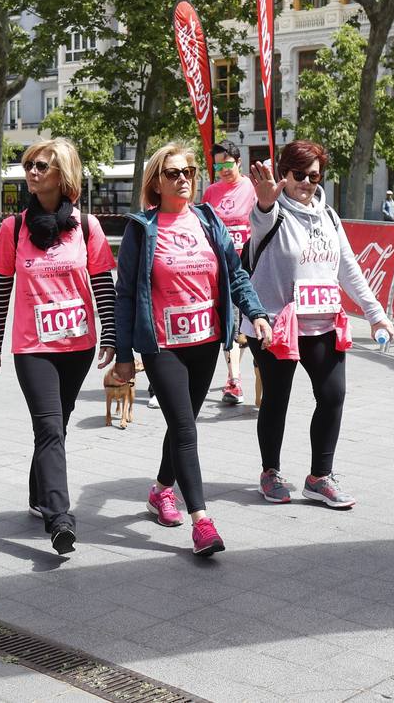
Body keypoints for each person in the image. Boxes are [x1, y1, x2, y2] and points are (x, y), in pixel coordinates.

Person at [113, 143, 271, 557]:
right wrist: (124, 354)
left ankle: (161, 490)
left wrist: (254, 312)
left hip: (205, 342)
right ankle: (202, 521)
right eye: (172, 173)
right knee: (185, 428)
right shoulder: (141, 228)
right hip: (163, 345)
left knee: (181, 424)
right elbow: (125, 293)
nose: (183, 178)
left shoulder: (207, 219)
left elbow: (235, 273)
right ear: (156, 182)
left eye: (188, 171)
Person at [0, 139, 117, 555]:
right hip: (32, 346)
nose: (32, 172)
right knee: (49, 427)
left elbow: (102, 286)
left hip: (77, 344)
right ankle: (60, 517)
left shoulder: (88, 226)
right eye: (28, 165)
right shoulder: (15, 228)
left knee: (56, 425)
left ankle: (38, 493)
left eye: (41, 165)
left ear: (63, 173)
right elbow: (0, 286)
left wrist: (110, 337)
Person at [246, 141, 394, 510]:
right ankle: (271, 472)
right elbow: (260, 217)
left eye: (314, 176)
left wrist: (376, 312)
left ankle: (319, 478)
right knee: (276, 400)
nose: (307, 183)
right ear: (285, 174)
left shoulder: (328, 215)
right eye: (299, 175)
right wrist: (265, 201)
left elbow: (348, 268)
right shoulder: (272, 212)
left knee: (332, 396)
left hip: (323, 322)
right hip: (276, 326)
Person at [201, 140, 257, 405]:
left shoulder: (252, 188)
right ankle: (234, 381)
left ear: (239, 163)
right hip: (224, 268)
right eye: (218, 165)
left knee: (250, 324)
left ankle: (242, 373)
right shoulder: (210, 193)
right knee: (232, 324)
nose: (223, 170)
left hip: (252, 267)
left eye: (228, 164)